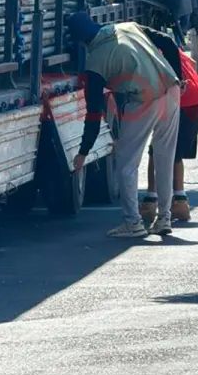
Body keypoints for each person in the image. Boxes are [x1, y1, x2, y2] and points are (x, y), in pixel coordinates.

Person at [68, 12, 181, 238]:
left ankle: (133, 223)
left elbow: (93, 113)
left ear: (80, 41)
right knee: (165, 158)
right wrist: (178, 76)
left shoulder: (95, 63)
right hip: (172, 90)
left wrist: (83, 152)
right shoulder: (128, 27)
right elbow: (168, 42)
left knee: (127, 163)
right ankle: (164, 218)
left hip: (144, 99)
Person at [140, 48, 198, 222]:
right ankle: (179, 201)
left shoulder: (148, 50)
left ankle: (151, 202)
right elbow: (192, 63)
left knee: (158, 148)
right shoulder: (168, 45)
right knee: (174, 150)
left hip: (181, 99)